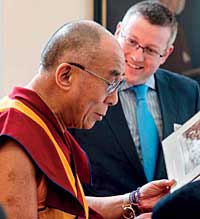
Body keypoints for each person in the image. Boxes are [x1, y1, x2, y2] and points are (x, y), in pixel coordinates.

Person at [0, 20, 174, 219]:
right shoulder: (15, 132)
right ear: (66, 76)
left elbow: (67, 208)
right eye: (110, 84)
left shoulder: (46, 124)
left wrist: (134, 201)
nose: (113, 99)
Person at [70, 1, 200, 197]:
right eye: (131, 42)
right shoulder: (84, 90)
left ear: (166, 53)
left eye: (150, 50)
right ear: (118, 31)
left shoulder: (188, 92)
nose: (137, 57)